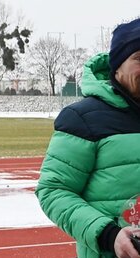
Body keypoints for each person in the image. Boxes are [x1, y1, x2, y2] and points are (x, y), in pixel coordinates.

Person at [36, 17, 140, 258]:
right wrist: (108, 235)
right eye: (139, 58)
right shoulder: (83, 119)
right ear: (117, 66)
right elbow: (53, 190)